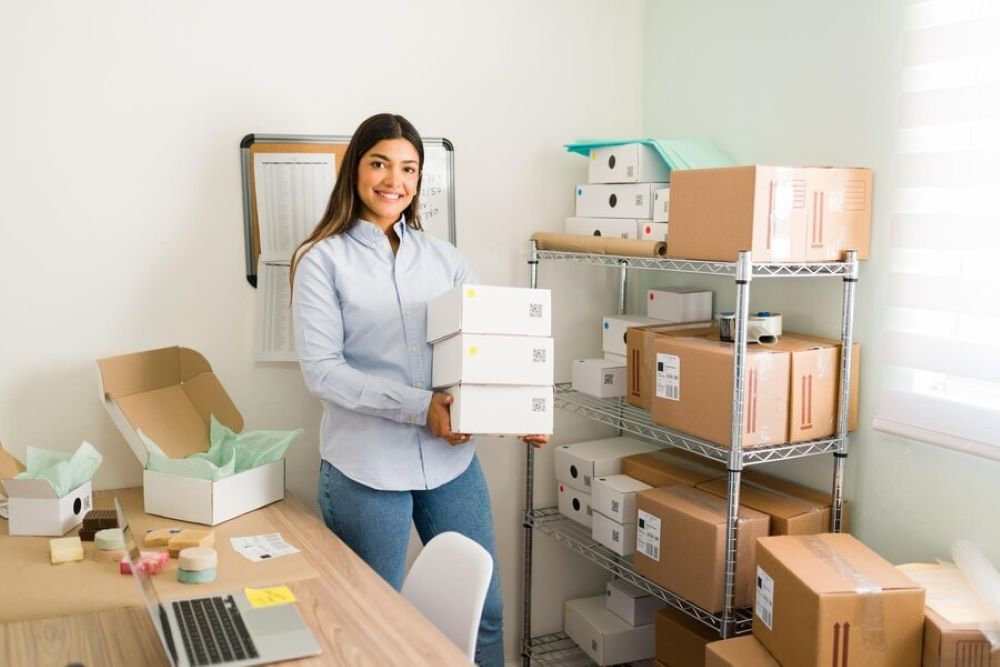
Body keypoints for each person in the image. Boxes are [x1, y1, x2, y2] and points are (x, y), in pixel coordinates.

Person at [289, 112, 547, 667]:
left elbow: (485, 344)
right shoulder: (321, 260)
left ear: (420, 180)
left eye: (408, 168)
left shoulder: (446, 259)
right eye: (380, 163)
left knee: (486, 612)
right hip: (366, 469)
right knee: (372, 623)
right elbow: (323, 371)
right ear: (354, 169)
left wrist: (518, 406)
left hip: (449, 464)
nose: (394, 181)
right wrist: (418, 406)